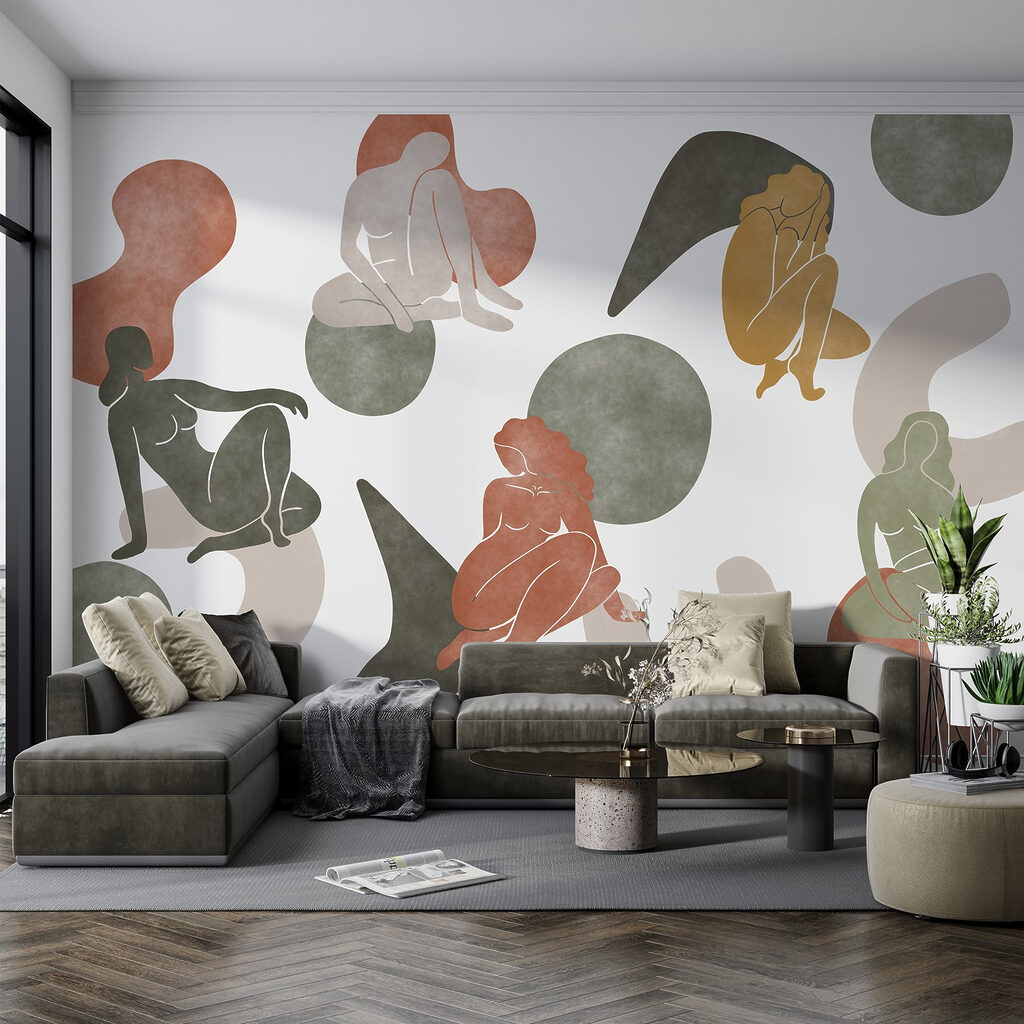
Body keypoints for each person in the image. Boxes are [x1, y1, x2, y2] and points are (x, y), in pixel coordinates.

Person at [100, 326, 321, 563]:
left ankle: (242, 531)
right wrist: (139, 539)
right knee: (269, 415)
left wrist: (276, 394)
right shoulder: (121, 416)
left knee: (309, 504)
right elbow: (130, 480)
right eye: (142, 344)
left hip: (219, 471)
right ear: (128, 355)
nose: (149, 348)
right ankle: (271, 517)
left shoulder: (172, 388)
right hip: (206, 498)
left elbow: (230, 400)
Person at [436, 417, 632, 670]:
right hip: (480, 591)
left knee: (608, 576)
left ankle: (497, 635)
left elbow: (597, 556)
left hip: (521, 591)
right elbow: (487, 549)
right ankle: (516, 644)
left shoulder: (568, 497)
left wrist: (615, 608)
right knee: (578, 546)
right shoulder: (499, 488)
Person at [313, 132, 521, 333]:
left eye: (431, 161)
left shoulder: (428, 184)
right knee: (323, 303)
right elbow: (348, 250)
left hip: (432, 277)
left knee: (441, 180)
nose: (424, 167)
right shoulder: (365, 186)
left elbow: (456, 231)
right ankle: (422, 311)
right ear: (408, 150)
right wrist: (395, 308)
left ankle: (472, 297)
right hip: (397, 286)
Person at [721, 164, 869, 401]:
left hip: (767, 325)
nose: (808, 216)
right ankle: (803, 363)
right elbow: (785, 284)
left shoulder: (779, 232)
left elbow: (794, 279)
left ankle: (782, 363)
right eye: (809, 206)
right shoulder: (760, 221)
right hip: (750, 333)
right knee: (826, 266)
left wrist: (818, 215)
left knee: (857, 340)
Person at [849, 411, 954, 632]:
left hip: (937, 587)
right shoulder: (877, 488)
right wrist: (882, 595)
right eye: (915, 439)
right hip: (898, 583)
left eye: (927, 443)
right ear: (903, 440)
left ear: (933, 450)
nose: (919, 447)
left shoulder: (943, 498)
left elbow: (958, 560)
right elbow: (867, 550)